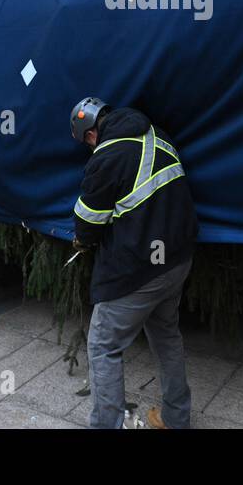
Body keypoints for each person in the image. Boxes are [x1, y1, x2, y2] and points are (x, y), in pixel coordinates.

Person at [70, 96, 199, 429]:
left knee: (103, 345)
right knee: (166, 335)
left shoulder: (107, 156)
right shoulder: (157, 133)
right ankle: (175, 418)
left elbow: (88, 222)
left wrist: (83, 242)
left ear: (89, 134)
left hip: (139, 270)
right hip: (178, 259)